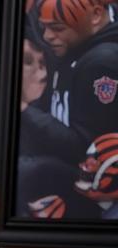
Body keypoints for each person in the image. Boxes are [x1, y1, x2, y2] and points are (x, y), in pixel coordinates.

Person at [21, 0, 118, 166]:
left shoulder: (102, 64)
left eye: (57, 28)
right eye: (44, 26)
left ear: (96, 16)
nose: (47, 36)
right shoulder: (76, 40)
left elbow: (84, 149)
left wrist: (26, 111)